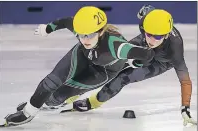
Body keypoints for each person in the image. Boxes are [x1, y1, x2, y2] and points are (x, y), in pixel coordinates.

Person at [1, 6, 154, 127]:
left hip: (103, 71)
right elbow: (66, 21)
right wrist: (48, 28)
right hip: (82, 56)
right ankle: (28, 113)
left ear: (101, 32)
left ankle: (50, 103)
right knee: (52, 81)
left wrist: (134, 63)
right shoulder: (81, 30)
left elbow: (147, 55)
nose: (85, 39)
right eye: (81, 35)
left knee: (57, 97)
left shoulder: (116, 46)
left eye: (90, 35)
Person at [61, 5, 196, 126]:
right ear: (144, 28)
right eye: (149, 34)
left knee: (123, 77)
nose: (152, 40)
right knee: (114, 63)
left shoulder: (175, 50)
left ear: (166, 35)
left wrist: (185, 108)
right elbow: (150, 11)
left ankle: (92, 103)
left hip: (161, 62)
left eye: (158, 37)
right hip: (142, 47)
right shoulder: (147, 20)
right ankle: (74, 91)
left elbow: (185, 81)